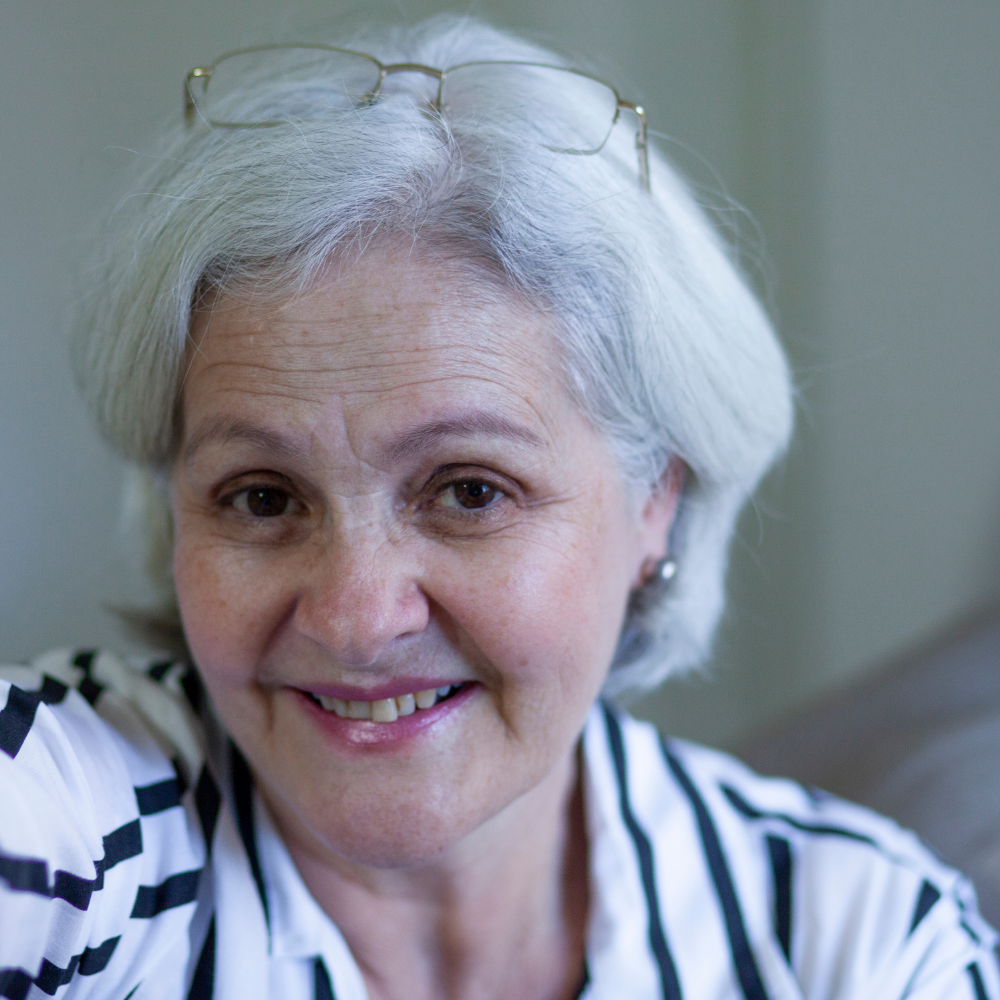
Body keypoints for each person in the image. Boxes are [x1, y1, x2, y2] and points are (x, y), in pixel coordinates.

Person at [1, 16, 996, 1000]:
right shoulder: (89, 823)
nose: (356, 618)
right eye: (262, 497)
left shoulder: (858, 945)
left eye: (469, 490)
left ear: (655, 501)